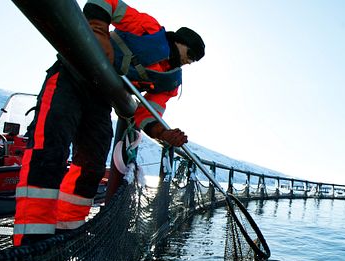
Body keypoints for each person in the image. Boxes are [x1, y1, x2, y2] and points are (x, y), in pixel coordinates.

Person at [13, 0, 204, 246]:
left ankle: (67, 233)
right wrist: (98, 31)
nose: (189, 63)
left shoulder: (169, 83)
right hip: (70, 76)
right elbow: (105, 3)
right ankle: (30, 243)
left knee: (91, 167)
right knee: (49, 152)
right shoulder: (148, 27)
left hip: (100, 99)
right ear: (180, 42)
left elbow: (146, 115)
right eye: (191, 55)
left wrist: (163, 134)